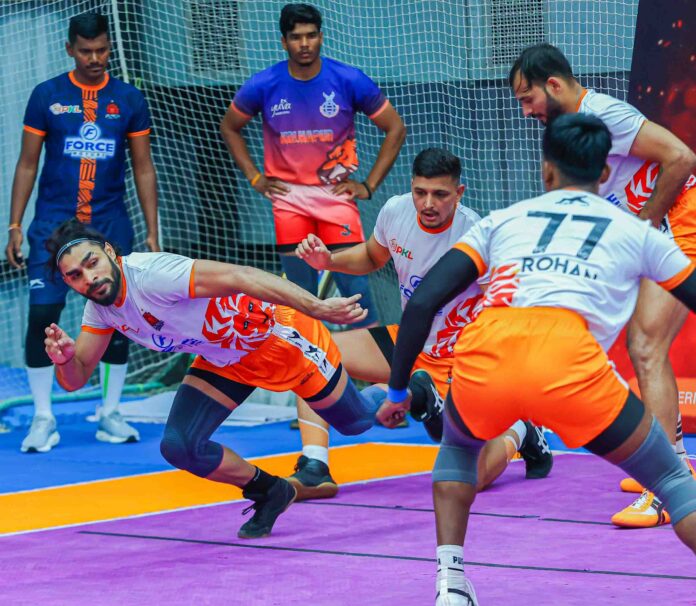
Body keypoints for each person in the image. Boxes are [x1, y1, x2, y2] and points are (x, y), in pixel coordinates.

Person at [379, 114, 696, 605]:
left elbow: (421, 304)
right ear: (604, 173)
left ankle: (451, 584)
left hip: (486, 354)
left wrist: (399, 390)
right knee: (673, 478)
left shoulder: (502, 220)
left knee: (458, 450)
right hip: (567, 362)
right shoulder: (637, 231)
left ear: (546, 169)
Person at [43, 218, 409, 539]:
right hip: (225, 358)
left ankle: (412, 390)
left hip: (277, 337)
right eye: (75, 275)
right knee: (180, 445)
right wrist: (64, 360)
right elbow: (75, 379)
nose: (89, 278)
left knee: (357, 421)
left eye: (92, 263)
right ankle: (270, 491)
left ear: (109, 251)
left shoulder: (152, 275)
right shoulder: (100, 309)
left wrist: (316, 307)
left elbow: (242, 276)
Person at [288, 148, 552, 500]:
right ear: (411, 186)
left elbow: (504, 311)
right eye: (420, 192)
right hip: (410, 344)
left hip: (459, 360)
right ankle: (315, 466)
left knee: (469, 480)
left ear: (459, 193)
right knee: (309, 351)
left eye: (440, 194)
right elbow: (372, 256)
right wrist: (328, 261)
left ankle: (520, 429)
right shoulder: (395, 211)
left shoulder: (476, 235)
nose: (428, 203)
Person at [508, 42, 696, 528]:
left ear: (553, 84)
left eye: (528, 98)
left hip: (684, 221)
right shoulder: (577, 129)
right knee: (643, 345)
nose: (525, 111)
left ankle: (669, 484)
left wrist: (643, 226)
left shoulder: (604, 113)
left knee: (647, 345)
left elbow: (681, 157)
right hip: (665, 229)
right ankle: (676, 463)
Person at [5, 12, 160, 453]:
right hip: (51, 225)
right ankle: (43, 417)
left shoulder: (129, 98)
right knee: (42, 317)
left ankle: (110, 412)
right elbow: (27, 164)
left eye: (102, 50)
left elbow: (143, 167)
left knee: (120, 318)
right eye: (86, 51)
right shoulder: (47, 95)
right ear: (70, 49)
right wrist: (14, 224)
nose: (95, 58)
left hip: (109, 224)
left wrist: (152, 231)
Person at [220, 3, 406, 330]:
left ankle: (376, 362)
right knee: (298, 299)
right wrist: (254, 177)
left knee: (357, 297)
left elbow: (395, 128)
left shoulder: (348, 79)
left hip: (336, 199)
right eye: (296, 37)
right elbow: (229, 126)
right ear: (284, 42)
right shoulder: (264, 84)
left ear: (321, 37)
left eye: (310, 36)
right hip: (289, 203)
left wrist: (368, 185)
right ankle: (310, 362)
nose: (304, 44)